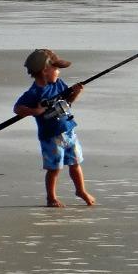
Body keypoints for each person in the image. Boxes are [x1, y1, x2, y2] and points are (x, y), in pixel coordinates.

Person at [13, 48, 95, 208]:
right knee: (54, 168)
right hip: (50, 136)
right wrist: (34, 111)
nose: (58, 72)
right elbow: (17, 109)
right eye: (56, 69)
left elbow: (67, 102)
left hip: (69, 130)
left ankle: (81, 191)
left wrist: (76, 93)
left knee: (75, 163)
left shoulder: (58, 84)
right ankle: (51, 197)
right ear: (45, 70)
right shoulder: (34, 92)